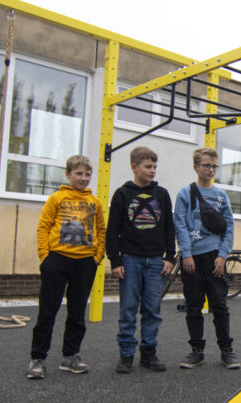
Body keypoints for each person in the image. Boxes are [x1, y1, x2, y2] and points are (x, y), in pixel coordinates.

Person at [26, 155, 105, 379]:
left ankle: (70, 356)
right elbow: (43, 227)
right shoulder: (57, 198)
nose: (83, 178)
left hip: (85, 263)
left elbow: (101, 229)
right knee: (48, 310)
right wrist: (45, 257)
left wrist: (97, 257)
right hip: (57, 260)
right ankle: (37, 358)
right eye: (78, 174)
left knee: (77, 312)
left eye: (87, 174)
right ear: (68, 174)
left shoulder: (95, 202)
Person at [107, 146, 175, 374]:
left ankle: (149, 353)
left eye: (155, 167)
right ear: (134, 167)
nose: (153, 171)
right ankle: (126, 354)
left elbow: (168, 228)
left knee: (152, 310)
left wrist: (169, 257)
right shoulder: (122, 194)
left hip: (156, 261)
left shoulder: (162, 195)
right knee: (128, 309)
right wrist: (115, 261)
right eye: (148, 167)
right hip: (130, 260)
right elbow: (112, 231)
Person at [174, 147, 241, 370]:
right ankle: (196, 351)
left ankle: (227, 350)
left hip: (214, 259)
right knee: (193, 305)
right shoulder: (185, 193)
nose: (210, 169)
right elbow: (180, 225)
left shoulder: (222, 197)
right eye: (206, 165)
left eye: (214, 166)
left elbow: (229, 228)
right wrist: (186, 254)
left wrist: (222, 256)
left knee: (219, 305)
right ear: (196, 167)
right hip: (191, 258)